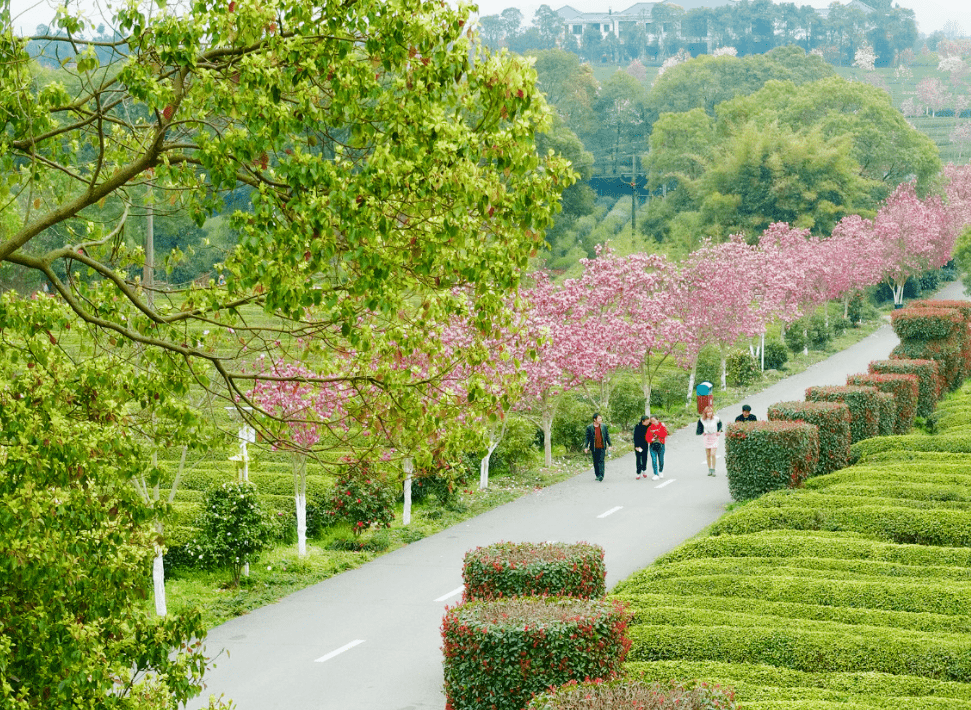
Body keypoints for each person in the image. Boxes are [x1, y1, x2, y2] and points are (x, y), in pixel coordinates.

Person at [584, 413, 612, 482]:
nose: (600, 420)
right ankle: (597, 475)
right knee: (596, 462)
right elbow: (587, 438)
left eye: (601, 418)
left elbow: (607, 436)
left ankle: (601, 475)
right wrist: (586, 447)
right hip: (594, 447)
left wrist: (610, 445)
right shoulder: (589, 427)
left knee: (601, 461)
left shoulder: (603, 426)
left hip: (602, 446)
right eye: (599, 418)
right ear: (594, 419)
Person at [696, 405, 722, 477]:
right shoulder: (702, 420)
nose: (709, 414)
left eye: (710, 412)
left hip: (714, 436)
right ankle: (709, 469)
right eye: (708, 412)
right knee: (708, 454)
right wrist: (702, 432)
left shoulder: (716, 419)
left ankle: (713, 469)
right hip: (707, 437)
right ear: (705, 413)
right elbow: (699, 426)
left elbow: (720, 424)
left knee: (713, 454)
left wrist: (719, 431)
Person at [646, 415, 668, 481]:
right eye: (651, 421)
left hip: (661, 445)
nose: (653, 422)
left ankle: (660, 471)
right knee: (654, 460)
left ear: (657, 420)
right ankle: (655, 474)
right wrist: (650, 439)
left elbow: (664, 434)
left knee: (661, 460)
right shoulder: (649, 428)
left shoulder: (662, 426)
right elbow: (647, 437)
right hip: (653, 446)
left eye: (654, 421)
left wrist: (656, 432)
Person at [632, 415, 650, 480]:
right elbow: (635, 437)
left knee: (645, 458)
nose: (648, 423)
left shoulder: (649, 425)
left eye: (648, 421)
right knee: (638, 459)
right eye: (646, 422)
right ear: (642, 421)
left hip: (645, 444)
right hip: (638, 445)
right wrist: (636, 446)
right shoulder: (638, 427)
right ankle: (638, 472)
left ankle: (644, 470)